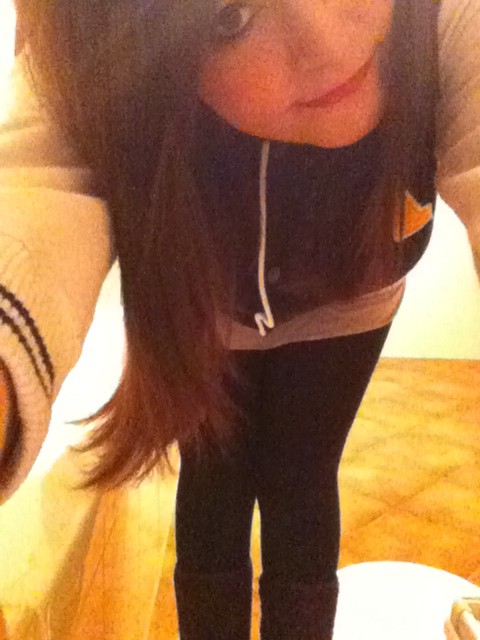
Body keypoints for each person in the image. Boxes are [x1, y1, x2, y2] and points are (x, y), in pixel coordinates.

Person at [0, 0, 478, 638]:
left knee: (302, 480)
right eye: (229, 16)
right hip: (202, 300)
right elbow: (39, 175)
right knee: (214, 482)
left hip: (351, 300)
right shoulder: (83, 51)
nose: (329, 43)